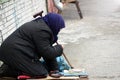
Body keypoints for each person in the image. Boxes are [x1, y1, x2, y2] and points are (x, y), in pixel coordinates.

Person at [0, 12, 65, 79]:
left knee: (43, 69)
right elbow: (47, 52)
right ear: (54, 25)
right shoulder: (42, 30)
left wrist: (54, 69)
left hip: (17, 51)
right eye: (58, 28)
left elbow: (45, 50)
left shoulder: (43, 26)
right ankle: (7, 70)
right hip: (15, 52)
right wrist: (60, 48)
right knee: (41, 73)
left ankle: (11, 66)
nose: (58, 30)